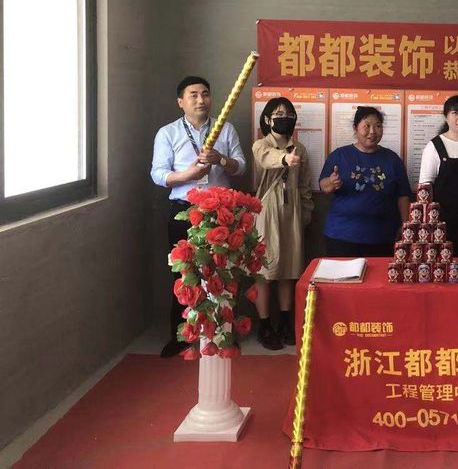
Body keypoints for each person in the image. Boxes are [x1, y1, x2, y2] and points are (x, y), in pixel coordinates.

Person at [150, 76, 246, 358]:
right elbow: (158, 174)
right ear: (181, 101)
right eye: (193, 95)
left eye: (205, 94)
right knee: (184, 274)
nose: (200, 100)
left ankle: (224, 335)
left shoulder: (225, 129)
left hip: (220, 212)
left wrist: (221, 160)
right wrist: (188, 175)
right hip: (184, 210)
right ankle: (181, 336)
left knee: (222, 273)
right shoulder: (168, 133)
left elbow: (241, 166)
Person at [251, 97, 314, 351]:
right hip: (266, 212)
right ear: (267, 119)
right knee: (264, 272)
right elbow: (267, 158)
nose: (283, 118)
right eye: (278, 114)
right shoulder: (260, 145)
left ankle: (286, 322)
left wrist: (306, 212)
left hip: (292, 212)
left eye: (288, 114)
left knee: (289, 269)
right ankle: (265, 325)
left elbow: (304, 185)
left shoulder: (300, 148)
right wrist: (286, 159)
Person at [319, 107, 412, 257]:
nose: (372, 131)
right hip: (342, 236)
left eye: (378, 126)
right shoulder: (339, 155)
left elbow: (403, 195)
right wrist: (331, 182)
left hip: (382, 237)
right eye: (366, 126)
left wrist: (406, 224)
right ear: (355, 128)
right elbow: (323, 186)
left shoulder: (392, 159)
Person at [418, 95, 458, 257]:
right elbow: (425, 187)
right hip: (442, 221)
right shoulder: (434, 146)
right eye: (455, 113)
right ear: (446, 116)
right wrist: (428, 222)